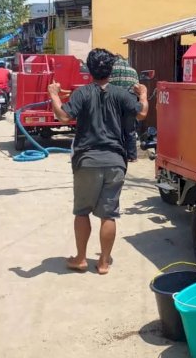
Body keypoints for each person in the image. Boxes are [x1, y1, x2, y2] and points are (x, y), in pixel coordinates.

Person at [48, 48, 148, 274]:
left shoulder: (82, 94)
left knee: (82, 211)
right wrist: (142, 94)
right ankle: (103, 262)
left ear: (89, 70)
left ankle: (81, 259)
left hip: (87, 160)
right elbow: (142, 113)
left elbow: (63, 116)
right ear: (110, 70)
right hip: (115, 161)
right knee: (109, 214)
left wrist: (54, 94)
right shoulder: (121, 94)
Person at [110, 56, 140, 162]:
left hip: (115, 101)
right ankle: (132, 156)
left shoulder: (110, 70)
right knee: (130, 130)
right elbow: (137, 89)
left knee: (114, 129)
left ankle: (116, 155)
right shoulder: (133, 71)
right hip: (130, 101)